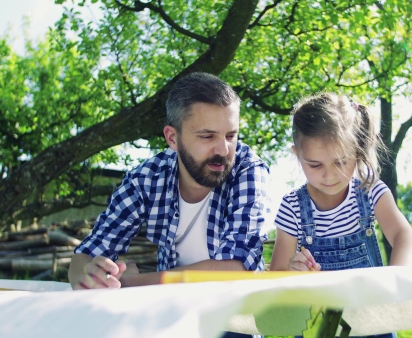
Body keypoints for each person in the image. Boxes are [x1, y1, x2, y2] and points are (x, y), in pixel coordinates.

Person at [69, 72, 271, 292]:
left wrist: (129, 284)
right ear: (172, 138)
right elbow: (86, 255)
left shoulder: (248, 170)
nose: (223, 150)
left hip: (235, 311)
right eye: (207, 136)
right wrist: (88, 277)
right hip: (171, 311)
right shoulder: (145, 179)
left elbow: (234, 270)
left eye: (231, 136)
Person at [270, 92, 412, 338]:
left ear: (357, 151)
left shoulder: (371, 192)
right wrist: (291, 270)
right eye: (315, 165)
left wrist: (398, 276)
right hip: (316, 327)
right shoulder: (292, 207)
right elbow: (277, 275)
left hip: (373, 322)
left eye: (340, 162)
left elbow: (404, 236)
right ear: (296, 154)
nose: (329, 176)